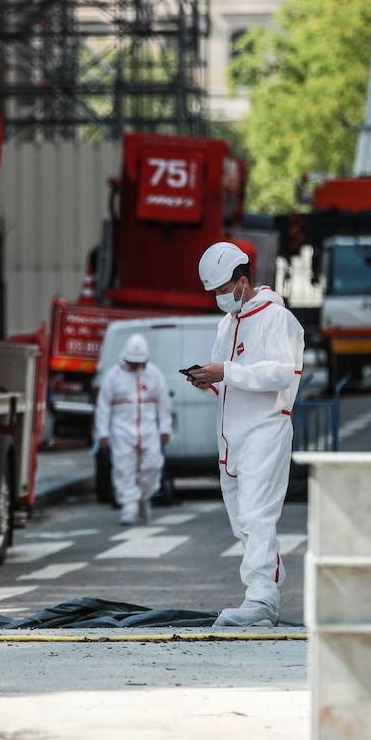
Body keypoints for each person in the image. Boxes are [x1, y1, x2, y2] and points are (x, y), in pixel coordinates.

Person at [187, 242, 304, 628]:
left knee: (256, 515)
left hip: (265, 429)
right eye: (214, 293)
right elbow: (232, 379)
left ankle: (261, 599)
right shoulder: (228, 324)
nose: (219, 298)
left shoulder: (277, 319)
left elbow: (282, 373)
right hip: (232, 436)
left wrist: (227, 373)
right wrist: (211, 382)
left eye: (222, 290)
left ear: (242, 281)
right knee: (243, 520)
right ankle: (267, 579)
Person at [95, 334, 172, 526]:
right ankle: (129, 506)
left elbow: (164, 403)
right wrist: (102, 432)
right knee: (124, 468)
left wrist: (165, 427)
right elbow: (103, 407)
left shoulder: (154, 374)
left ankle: (144, 497)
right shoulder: (113, 376)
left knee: (153, 466)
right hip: (122, 431)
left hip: (148, 430)